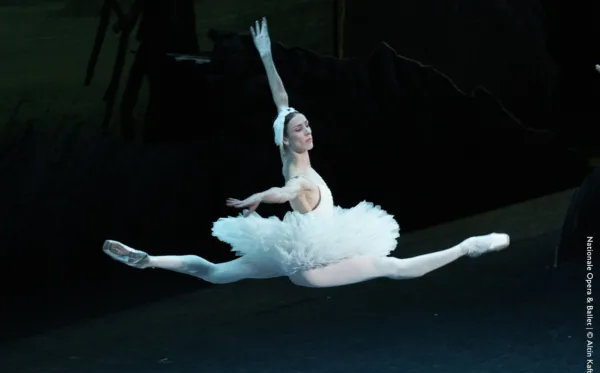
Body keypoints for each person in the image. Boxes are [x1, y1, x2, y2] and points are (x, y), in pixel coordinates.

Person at [103, 18, 510, 288]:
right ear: (287, 140)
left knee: (215, 273)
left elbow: (281, 100)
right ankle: (468, 246)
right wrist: (261, 196)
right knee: (394, 267)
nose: (308, 131)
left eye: (308, 125)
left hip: (289, 249)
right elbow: (287, 192)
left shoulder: (286, 148)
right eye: (301, 129)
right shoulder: (302, 177)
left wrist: (266, 55)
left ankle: (148, 260)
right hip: (311, 266)